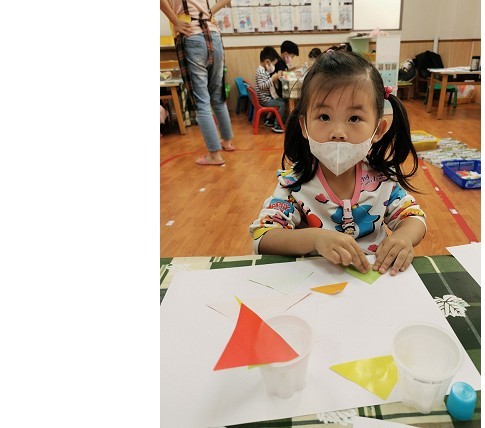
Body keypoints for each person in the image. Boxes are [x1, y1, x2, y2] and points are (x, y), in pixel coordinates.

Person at [249, 50, 426, 276]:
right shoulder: (293, 184)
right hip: (317, 283)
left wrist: (404, 237)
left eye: (354, 118)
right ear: (304, 126)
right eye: (324, 117)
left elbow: (413, 216)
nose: (338, 132)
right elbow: (263, 236)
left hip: (375, 280)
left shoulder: (383, 180)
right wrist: (315, 239)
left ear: (378, 129)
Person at [160, 0, 236, 166]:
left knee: (201, 101)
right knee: (218, 96)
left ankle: (214, 155)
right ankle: (227, 141)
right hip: (213, 34)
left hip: (191, 35)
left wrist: (175, 21)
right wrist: (210, 12)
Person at [255, 47, 288, 134]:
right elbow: (262, 86)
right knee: (282, 104)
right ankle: (277, 125)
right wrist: (272, 79)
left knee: (283, 100)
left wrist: (274, 78)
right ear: (267, 62)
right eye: (273, 64)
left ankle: (277, 120)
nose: (273, 67)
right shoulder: (260, 72)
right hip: (265, 100)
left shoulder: (264, 71)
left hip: (267, 97)